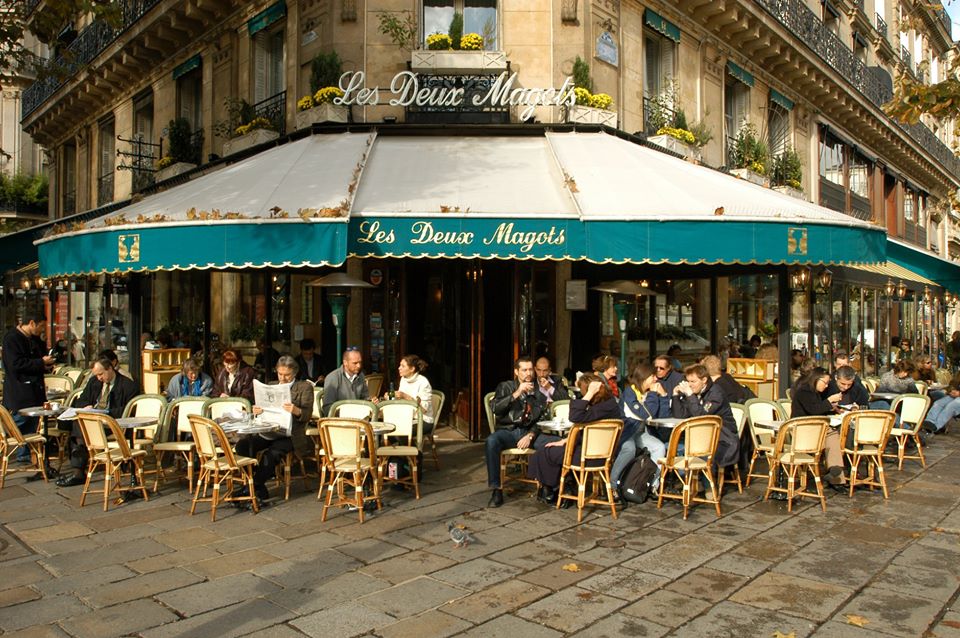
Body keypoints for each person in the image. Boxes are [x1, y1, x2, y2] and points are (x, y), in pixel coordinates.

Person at [527, 373, 621, 505]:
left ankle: (554, 489)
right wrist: (566, 440)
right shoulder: (609, 404)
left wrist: (589, 393)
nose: (583, 396)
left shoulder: (602, 408)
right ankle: (560, 487)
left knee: (544, 452)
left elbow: (575, 416)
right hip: (598, 455)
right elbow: (585, 428)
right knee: (550, 449)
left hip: (589, 457)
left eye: (584, 392)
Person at [235, 355, 313, 506]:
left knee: (271, 454)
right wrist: (257, 410)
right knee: (242, 446)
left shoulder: (304, 387)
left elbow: (307, 415)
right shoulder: (270, 385)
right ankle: (259, 485)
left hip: (290, 434)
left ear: (294, 373)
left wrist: (296, 410)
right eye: (280, 374)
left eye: (287, 375)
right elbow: (262, 409)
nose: (282, 378)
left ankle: (250, 487)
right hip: (268, 431)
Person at [56, 356, 140, 487]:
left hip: (112, 423)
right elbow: (82, 399)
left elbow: (129, 410)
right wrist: (86, 407)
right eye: (97, 375)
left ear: (110, 369)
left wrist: (106, 413)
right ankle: (79, 455)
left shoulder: (128, 385)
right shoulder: (94, 382)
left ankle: (78, 465)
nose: (99, 378)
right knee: (76, 423)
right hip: (93, 420)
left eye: (101, 374)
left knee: (78, 428)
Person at [485, 356, 547, 508]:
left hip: (529, 432)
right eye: (524, 370)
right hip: (508, 431)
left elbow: (543, 417)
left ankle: (547, 487)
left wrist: (531, 434)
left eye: (530, 370)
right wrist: (516, 393)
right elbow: (496, 409)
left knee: (550, 444)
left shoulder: (539, 390)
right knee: (492, 441)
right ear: (516, 372)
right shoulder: (505, 386)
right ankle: (496, 489)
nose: (528, 373)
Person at [2, 313, 55, 466]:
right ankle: (6, 441)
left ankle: (24, 454)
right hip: (20, 390)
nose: (42, 330)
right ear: (32, 323)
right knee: (19, 420)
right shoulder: (12, 339)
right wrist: (40, 362)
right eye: (41, 326)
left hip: (35, 389)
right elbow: (15, 364)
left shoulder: (34, 339)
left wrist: (46, 364)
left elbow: (38, 357)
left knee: (31, 423)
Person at [671, 364, 740, 479]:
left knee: (701, 450)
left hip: (724, 438)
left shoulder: (716, 393)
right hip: (700, 437)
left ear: (704, 380)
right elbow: (679, 416)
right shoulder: (693, 393)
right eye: (688, 381)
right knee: (675, 446)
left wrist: (690, 395)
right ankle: (688, 482)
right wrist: (675, 395)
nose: (690, 385)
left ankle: (706, 486)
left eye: (693, 381)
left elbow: (702, 416)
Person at [615, 362, 668, 490]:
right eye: (653, 376)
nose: (656, 379)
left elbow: (663, 416)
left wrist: (664, 396)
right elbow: (647, 415)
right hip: (625, 433)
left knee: (659, 447)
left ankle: (653, 485)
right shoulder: (630, 393)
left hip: (639, 432)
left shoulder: (648, 393)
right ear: (644, 377)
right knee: (629, 449)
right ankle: (613, 485)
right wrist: (654, 395)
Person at [791, 366, 844, 490]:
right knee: (832, 433)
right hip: (803, 431)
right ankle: (837, 475)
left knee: (833, 433)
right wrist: (829, 401)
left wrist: (832, 408)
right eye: (825, 383)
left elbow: (817, 409)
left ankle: (836, 473)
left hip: (813, 429)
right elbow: (814, 409)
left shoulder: (814, 392)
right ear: (816, 379)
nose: (826, 386)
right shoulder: (804, 392)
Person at [392, 354, 435, 434]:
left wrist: (405, 396)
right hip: (407, 417)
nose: (399, 368)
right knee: (389, 428)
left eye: (403, 366)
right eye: (400, 365)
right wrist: (392, 396)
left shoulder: (423, 382)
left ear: (412, 369)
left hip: (423, 419)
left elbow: (423, 410)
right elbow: (401, 400)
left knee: (401, 432)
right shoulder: (403, 379)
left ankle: (411, 446)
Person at [322, 346, 370, 416]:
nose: (359, 366)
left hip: (359, 419)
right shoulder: (333, 378)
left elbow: (365, 398)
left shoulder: (361, 375)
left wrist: (370, 402)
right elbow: (327, 408)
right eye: (355, 363)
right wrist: (349, 413)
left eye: (360, 362)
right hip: (339, 422)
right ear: (345, 363)